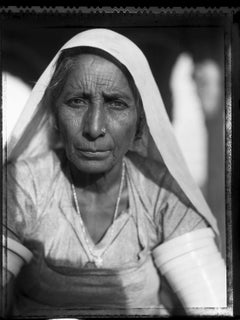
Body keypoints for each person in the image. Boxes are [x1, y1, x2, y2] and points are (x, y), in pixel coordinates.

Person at [2, 28, 226, 317]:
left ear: (141, 126)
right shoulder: (25, 184)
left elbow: (213, 304)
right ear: (54, 117)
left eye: (116, 104)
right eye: (77, 102)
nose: (94, 128)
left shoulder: (162, 193)